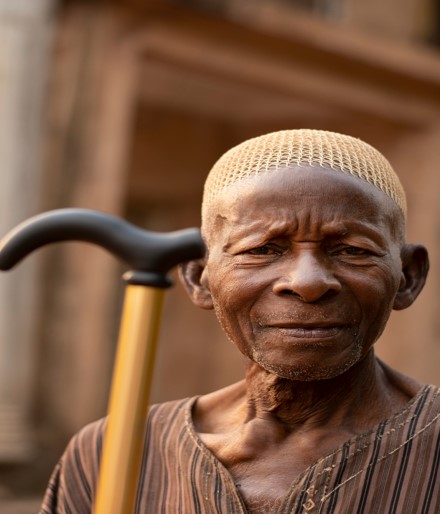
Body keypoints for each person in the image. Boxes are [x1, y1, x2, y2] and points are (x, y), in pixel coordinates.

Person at [40, 129, 438, 514]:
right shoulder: (114, 452)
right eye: (262, 248)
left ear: (408, 276)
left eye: (352, 250)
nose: (308, 282)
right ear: (199, 277)